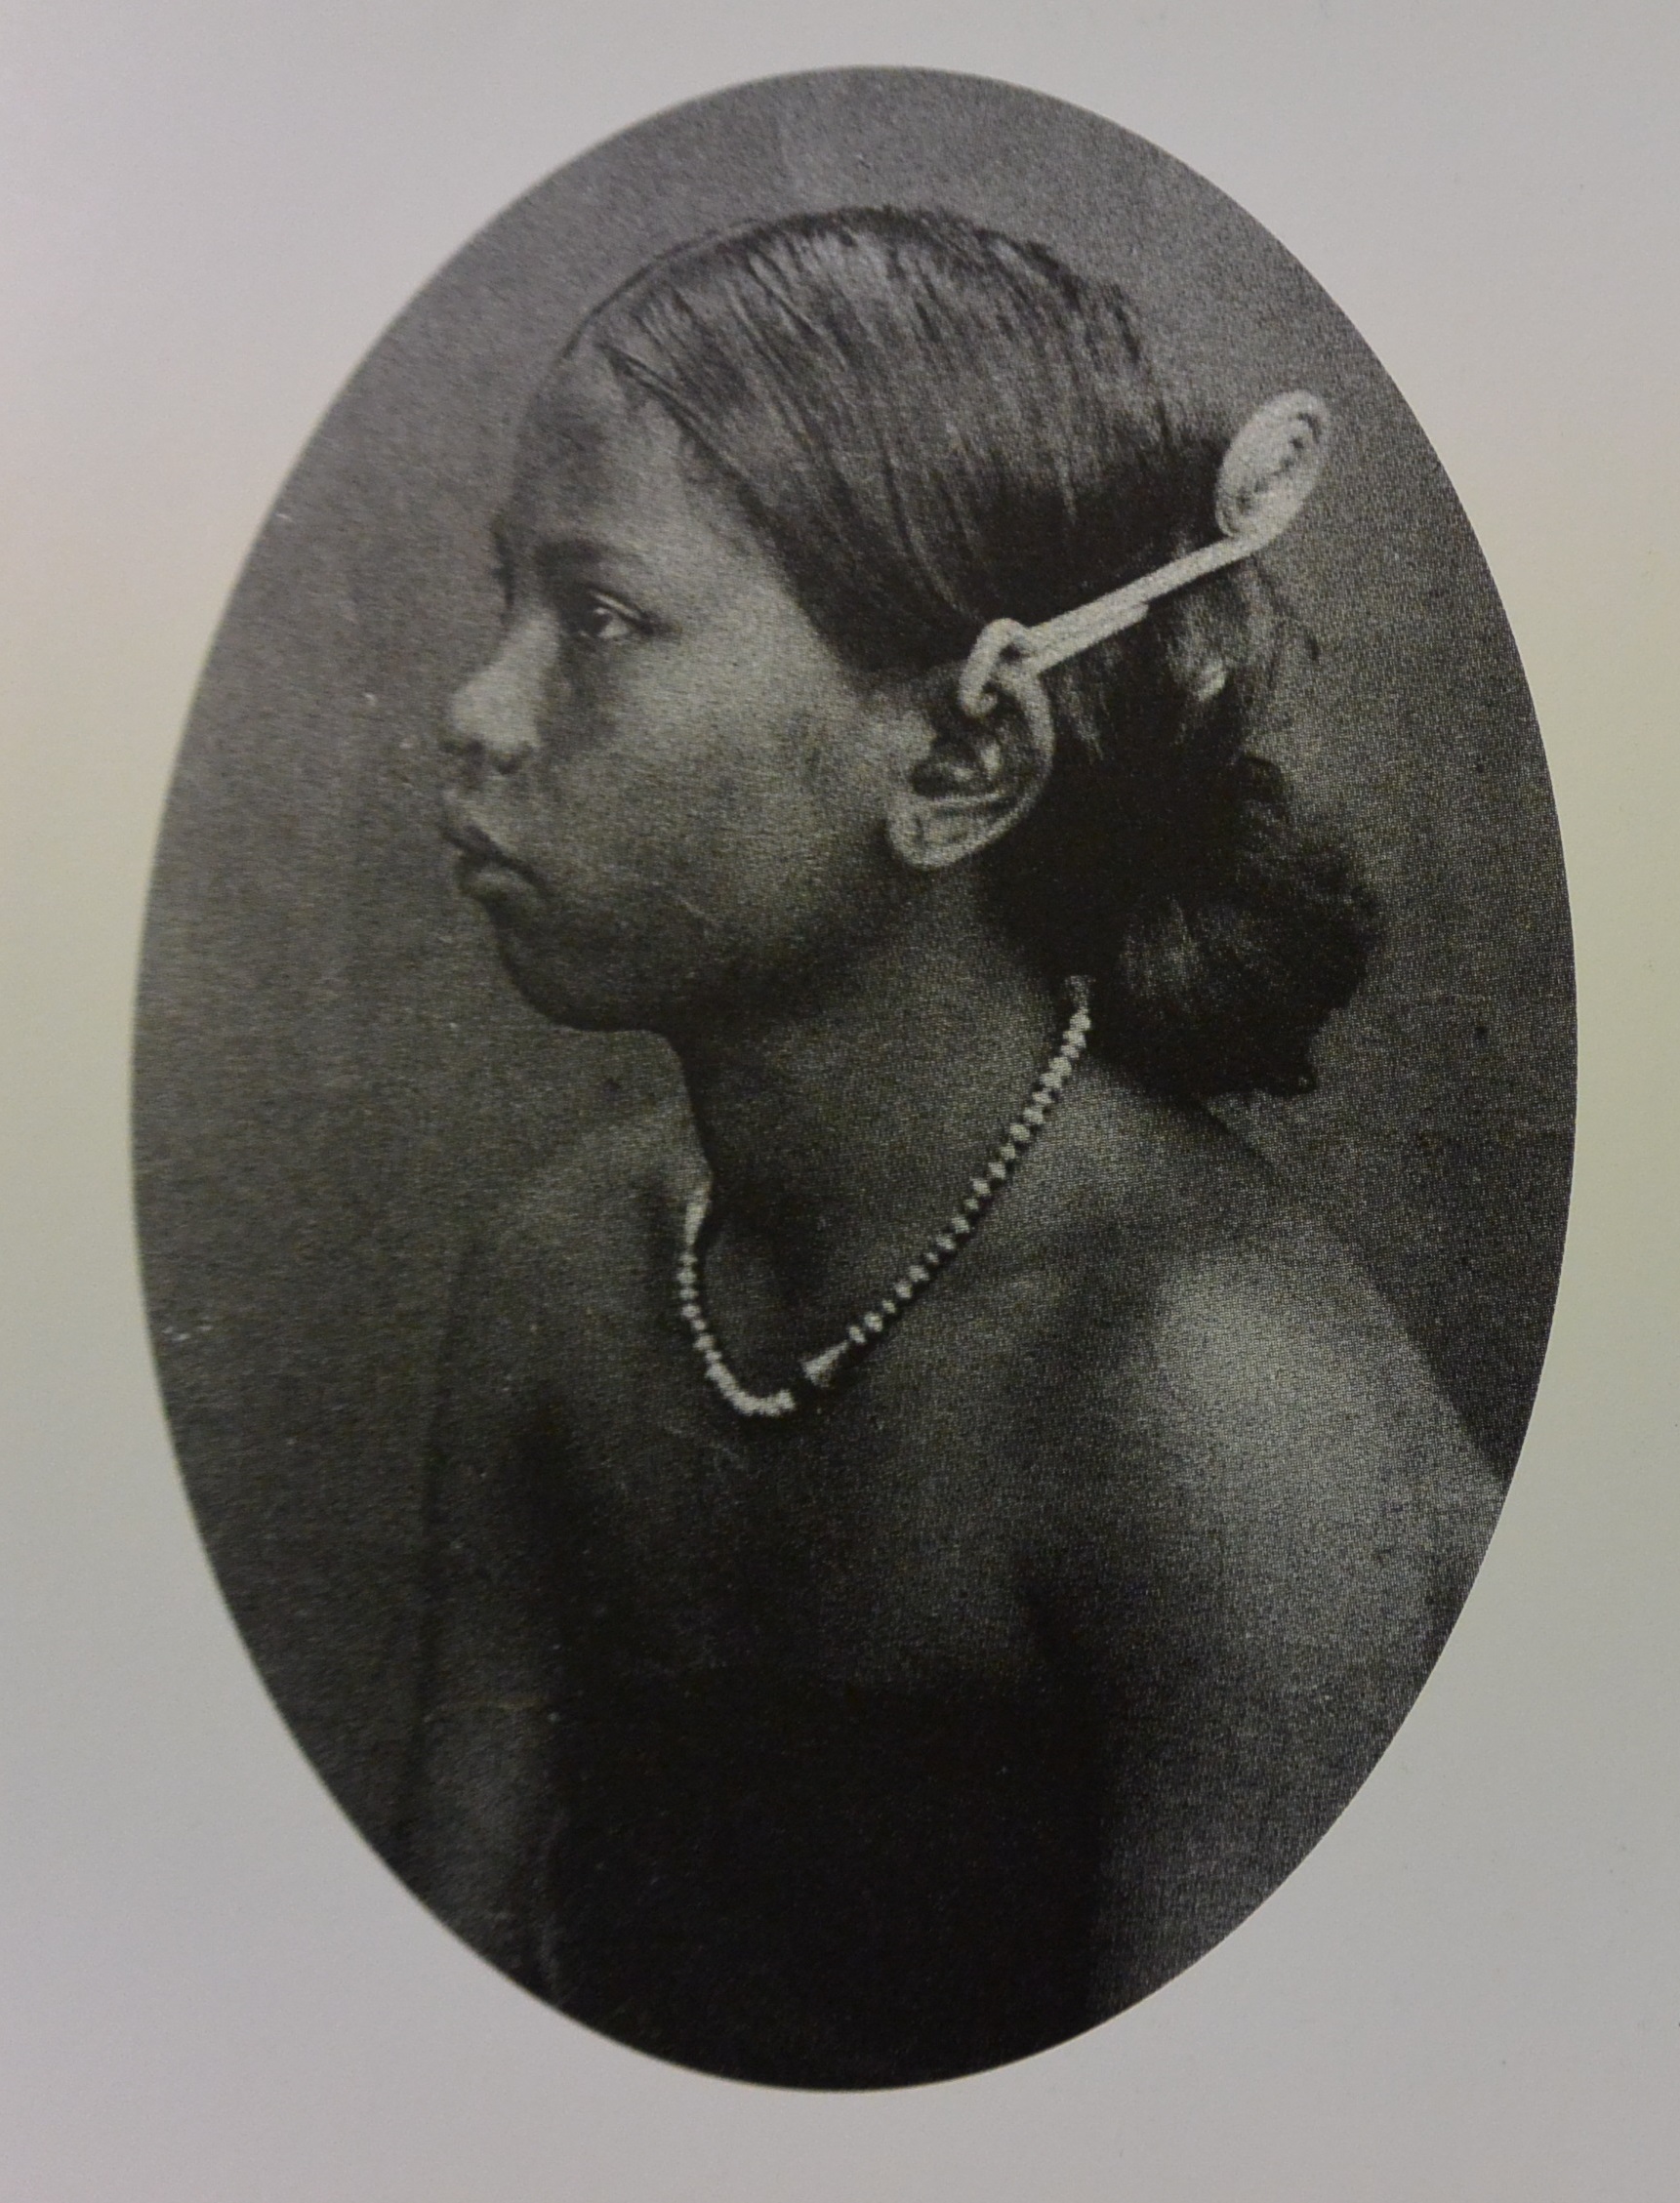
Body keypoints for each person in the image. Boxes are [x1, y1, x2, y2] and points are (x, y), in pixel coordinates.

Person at [401, 207, 1499, 2089]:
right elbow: (438, 2040)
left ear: (958, 762)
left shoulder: (1215, 1419)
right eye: (508, 598)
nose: (475, 710)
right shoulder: (567, 1277)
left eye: (598, 618)